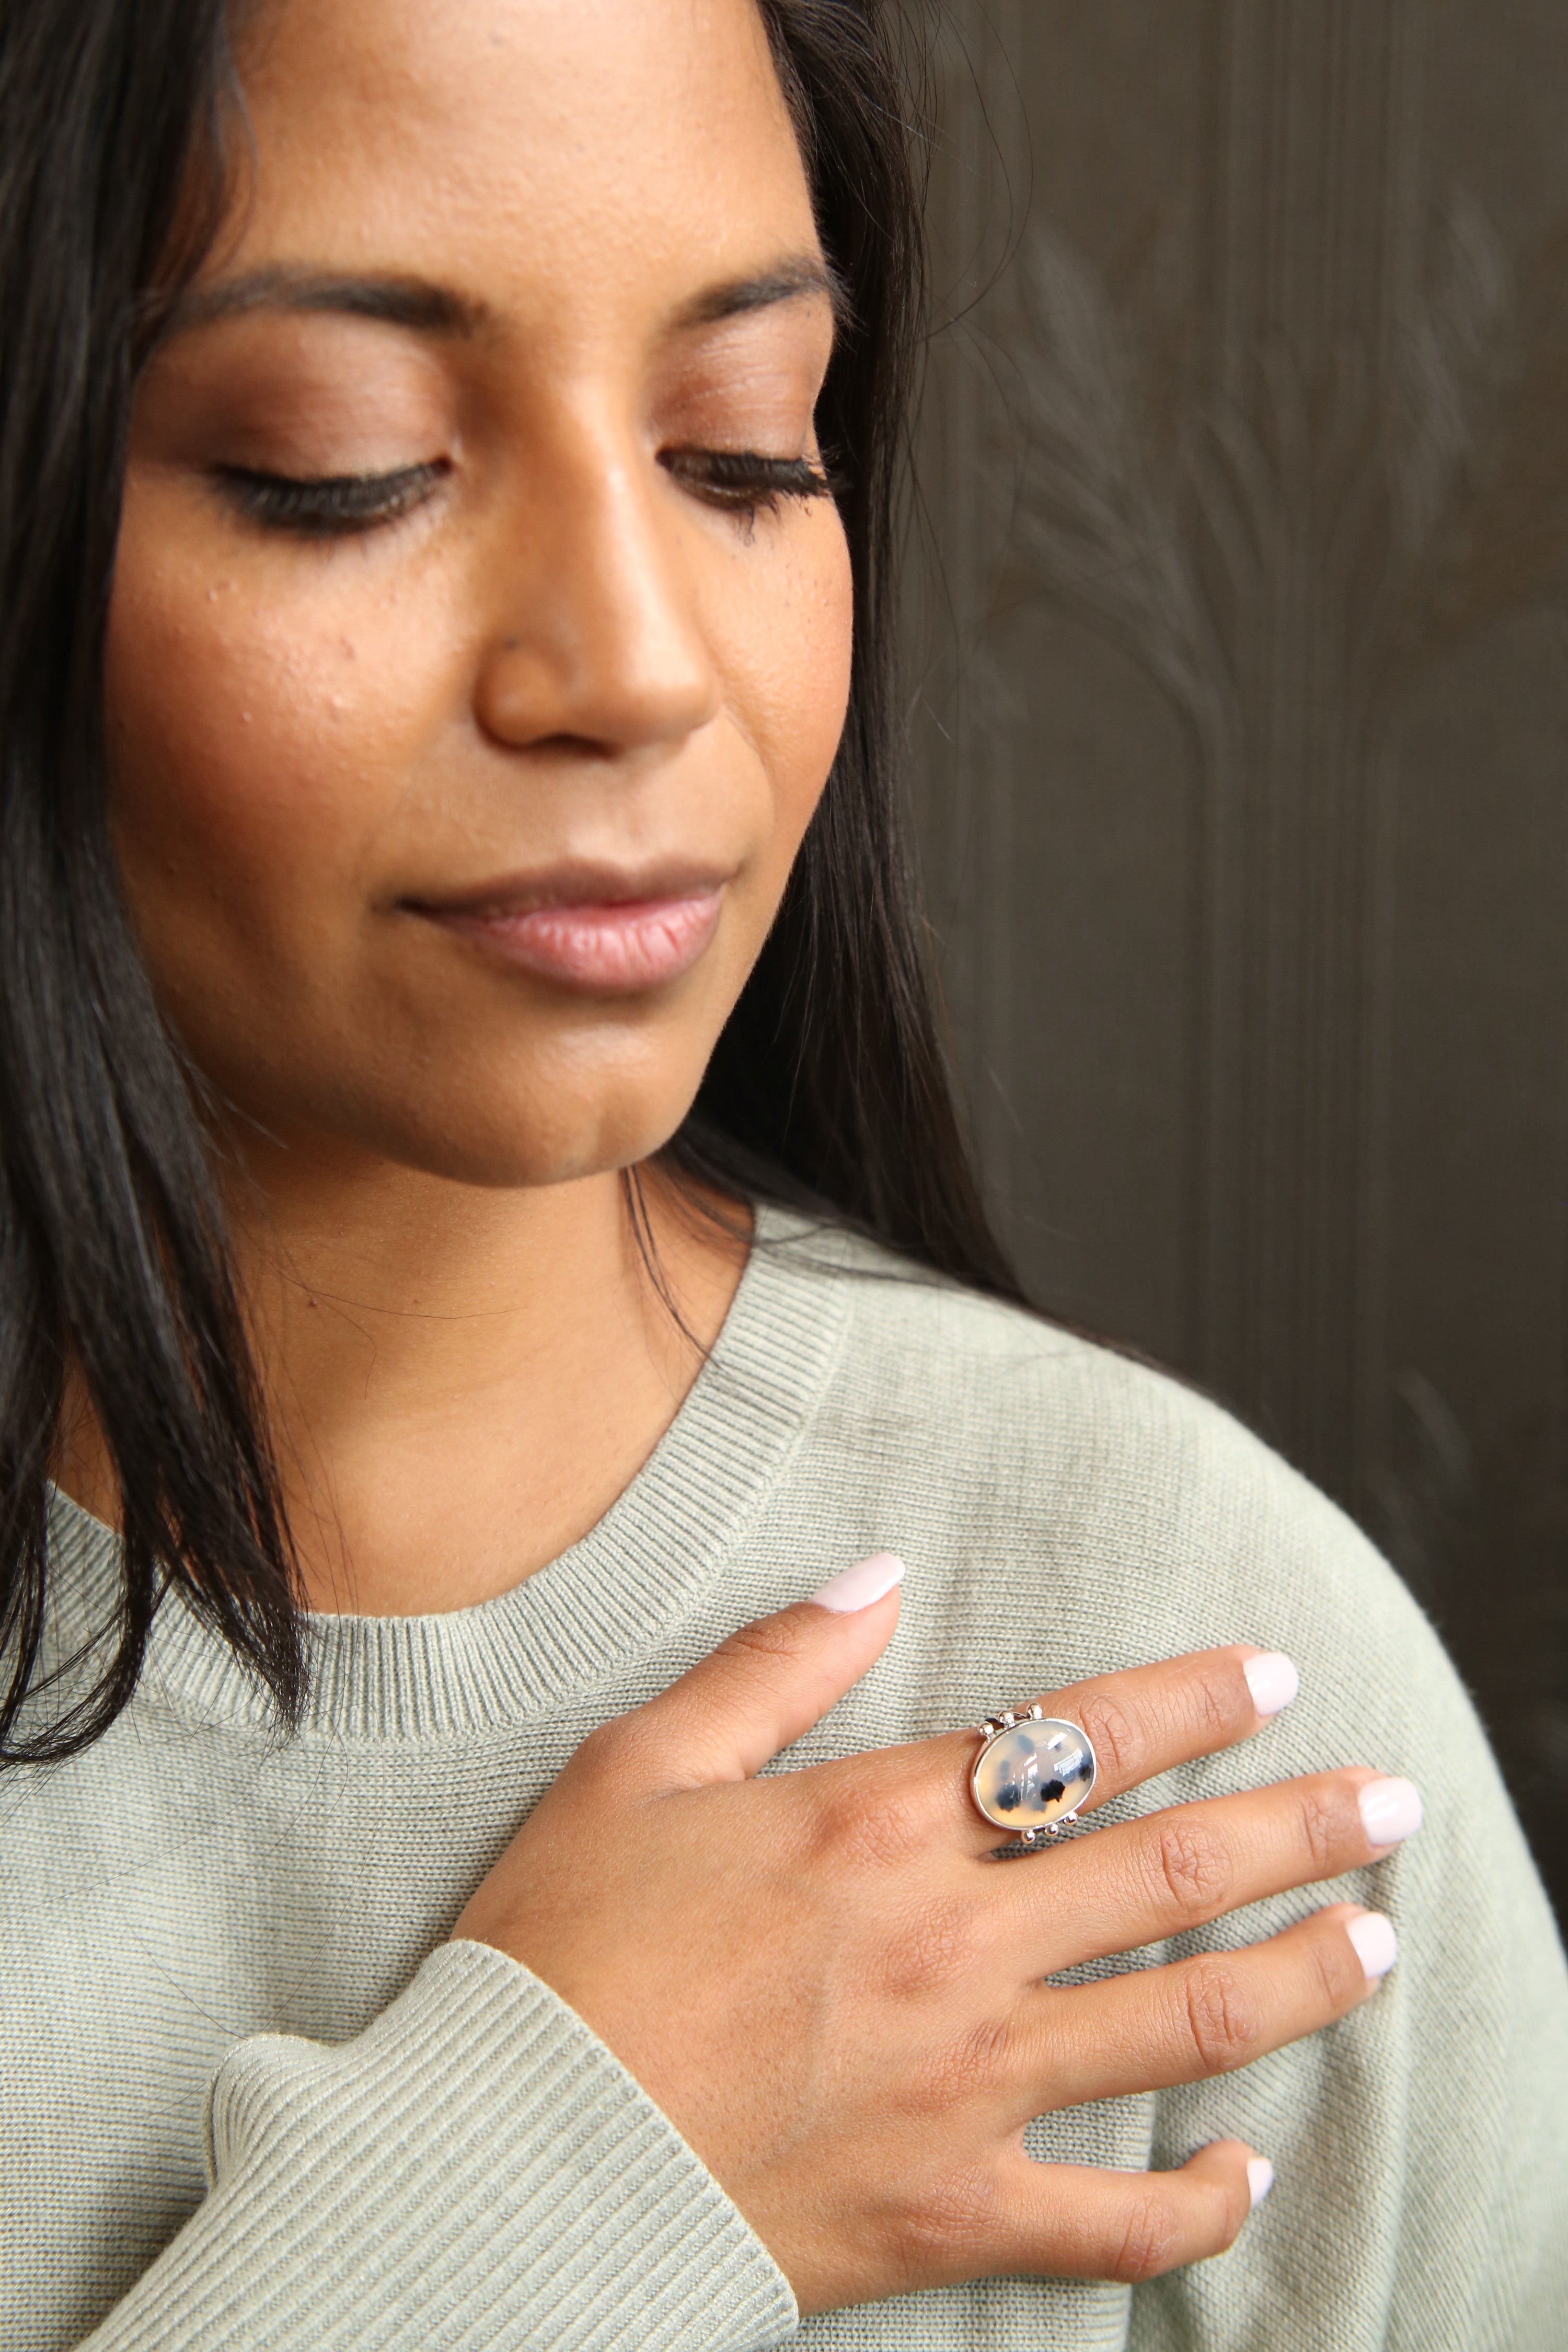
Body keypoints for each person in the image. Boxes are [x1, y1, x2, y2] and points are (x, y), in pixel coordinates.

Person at [3, 0, 1565, 2345]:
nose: (635, 670)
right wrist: (532, 2200)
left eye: (740, 452)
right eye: (346, 468)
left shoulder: (1205, 1677)